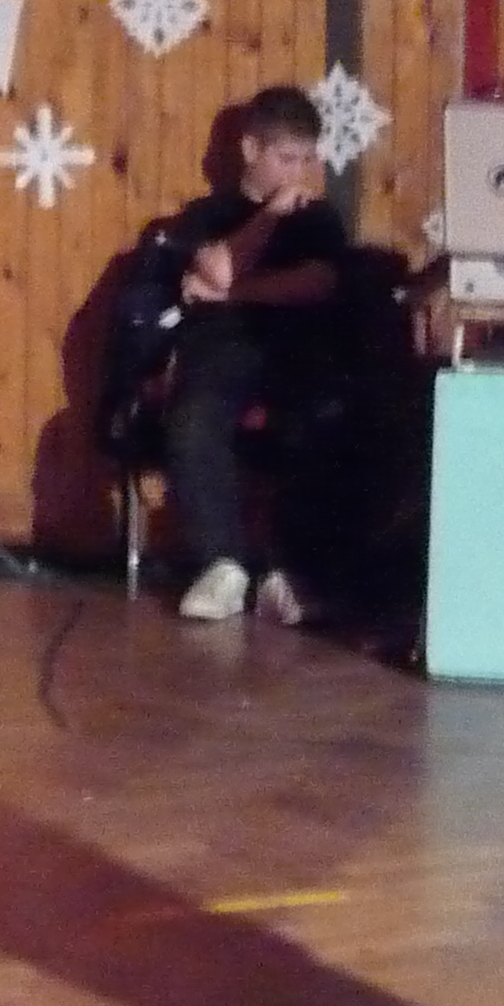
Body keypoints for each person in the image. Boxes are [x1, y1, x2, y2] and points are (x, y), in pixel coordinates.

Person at [164, 84, 347, 626]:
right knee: (196, 416)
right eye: (286, 159)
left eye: (306, 160)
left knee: (327, 414)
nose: (298, 174)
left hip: (296, 350)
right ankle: (223, 566)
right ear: (250, 150)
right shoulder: (207, 214)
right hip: (221, 348)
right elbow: (218, 266)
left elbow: (317, 283)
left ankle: (284, 572)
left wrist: (232, 293)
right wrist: (267, 217)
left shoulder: (317, 219)